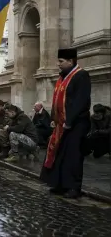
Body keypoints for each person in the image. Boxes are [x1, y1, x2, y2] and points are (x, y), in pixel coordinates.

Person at [40, 48, 91, 199]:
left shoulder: (81, 75)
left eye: (61, 61)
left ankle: (74, 187)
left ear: (71, 61)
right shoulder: (63, 77)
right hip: (61, 124)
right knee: (60, 155)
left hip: (76, 124)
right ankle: (60, 185)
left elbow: (80, 101)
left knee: (72, 156)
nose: (58, 64)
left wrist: (69, 121)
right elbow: (56, 101)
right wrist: (53, 119)